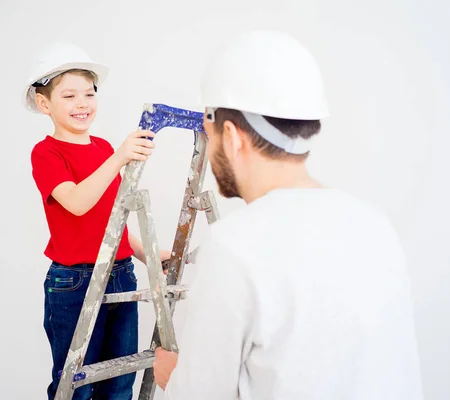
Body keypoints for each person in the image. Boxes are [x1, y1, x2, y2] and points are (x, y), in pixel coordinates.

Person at [153, 30, 424, 399]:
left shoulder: (234, 246)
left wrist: (173, 380)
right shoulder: (374, 224)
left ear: (231, 136)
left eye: (208, 133)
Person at [23, 42, 170, 400]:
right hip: (75, 281)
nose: (82, 103)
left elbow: (111, 218)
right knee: (76, 384)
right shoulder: (48, 152)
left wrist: (147, 254)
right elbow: (76, 202)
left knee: (119, 380)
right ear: (45, 104)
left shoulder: (103, 149)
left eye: (89, 93)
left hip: (119, 273)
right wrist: (120, 157)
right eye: (69, 96)